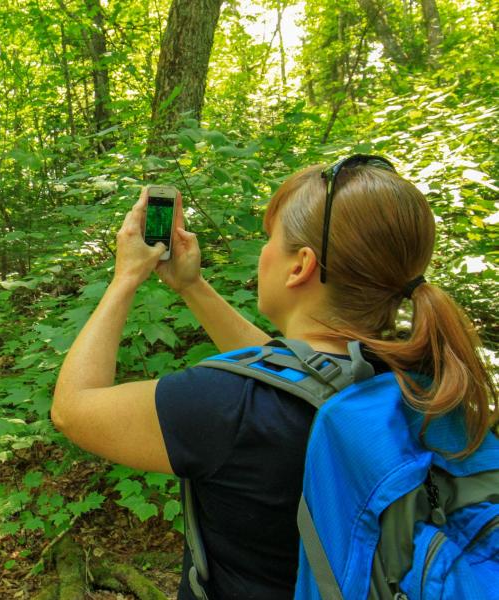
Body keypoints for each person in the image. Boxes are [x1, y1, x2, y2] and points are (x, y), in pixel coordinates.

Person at [50, 156, 497, 600]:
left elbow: (73, 408)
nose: (263, 252)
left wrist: (125, 277)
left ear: (300, 266)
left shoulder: (225, 408)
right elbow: (297, 374)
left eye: (270, 239)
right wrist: (191, 286)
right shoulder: (419, 382)